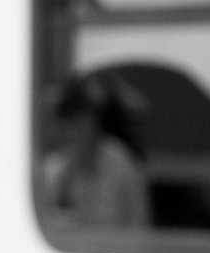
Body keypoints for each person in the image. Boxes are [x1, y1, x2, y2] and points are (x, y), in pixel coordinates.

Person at [39, 72, 150, 228]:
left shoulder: (122, 163)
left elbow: (140, 225)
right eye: (72, 120)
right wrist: (66, 179)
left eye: (85, 118)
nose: (78, 128)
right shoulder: (54, 169)